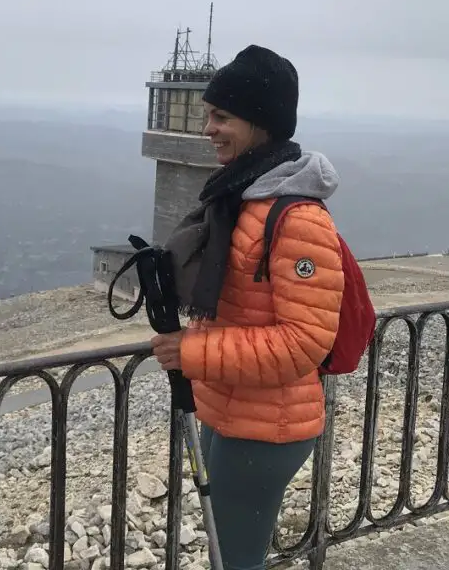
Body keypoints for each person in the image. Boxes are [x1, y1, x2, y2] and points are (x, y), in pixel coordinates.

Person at [150, 45, 344, 570]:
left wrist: (191, 349)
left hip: (267, 426)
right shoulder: (242, 199)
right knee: (228, 554)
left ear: (259, 122)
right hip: (233, 409)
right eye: (207, 114)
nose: (206, 128)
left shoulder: (297, 219)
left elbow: (304, 343)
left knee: (235, 559)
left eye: (221, 116)